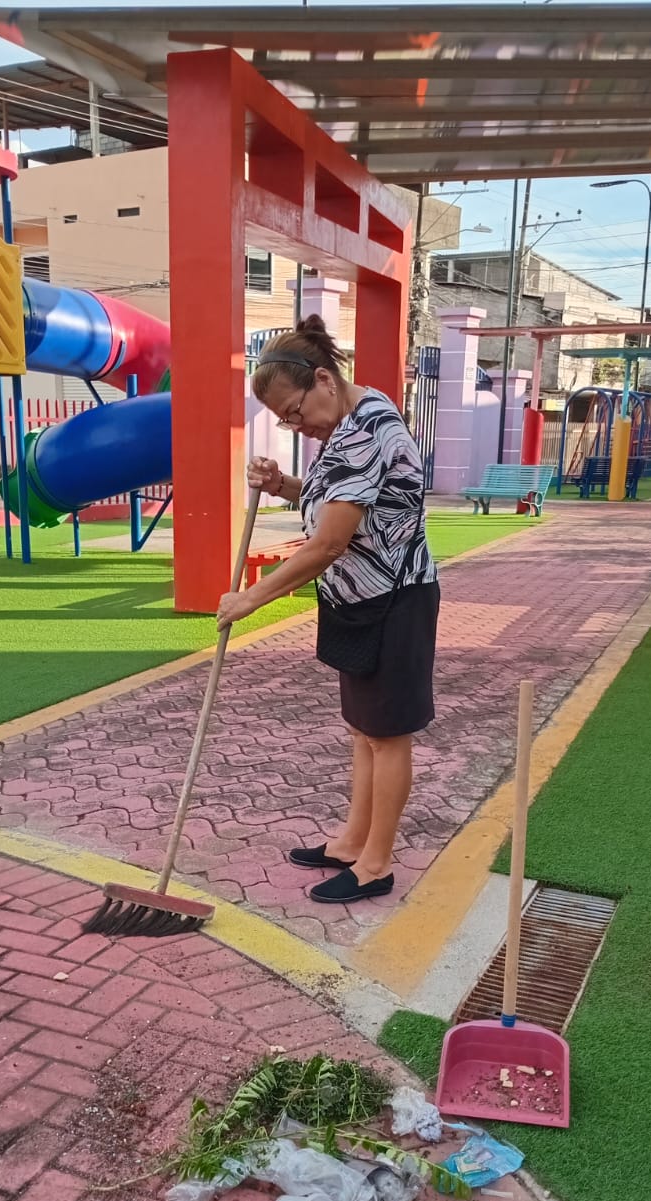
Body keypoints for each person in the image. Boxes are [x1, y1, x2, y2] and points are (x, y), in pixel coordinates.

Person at [217, 316, 439, 905]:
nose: (298, 426)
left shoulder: (366, 431)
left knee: (387, 736)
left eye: (295, 412)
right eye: (285, 421)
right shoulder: (348, 424)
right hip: (358, 599)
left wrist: (249, 599)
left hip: (394, 600)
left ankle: (376, 864)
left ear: (323, 379)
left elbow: (329, 543)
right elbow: (335, 498)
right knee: (365, 731)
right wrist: (283, 484)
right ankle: (352, 844)